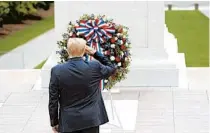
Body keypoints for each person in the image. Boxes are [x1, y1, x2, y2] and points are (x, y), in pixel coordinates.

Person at [48, 38, 116, 133]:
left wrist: (54, 122)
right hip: (91, 119)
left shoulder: (57, 70)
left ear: (67, 51)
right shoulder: (94, 67)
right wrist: (95, 53)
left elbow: (53, 99)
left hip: (69, 121)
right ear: (85, 50)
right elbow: (112, 68)